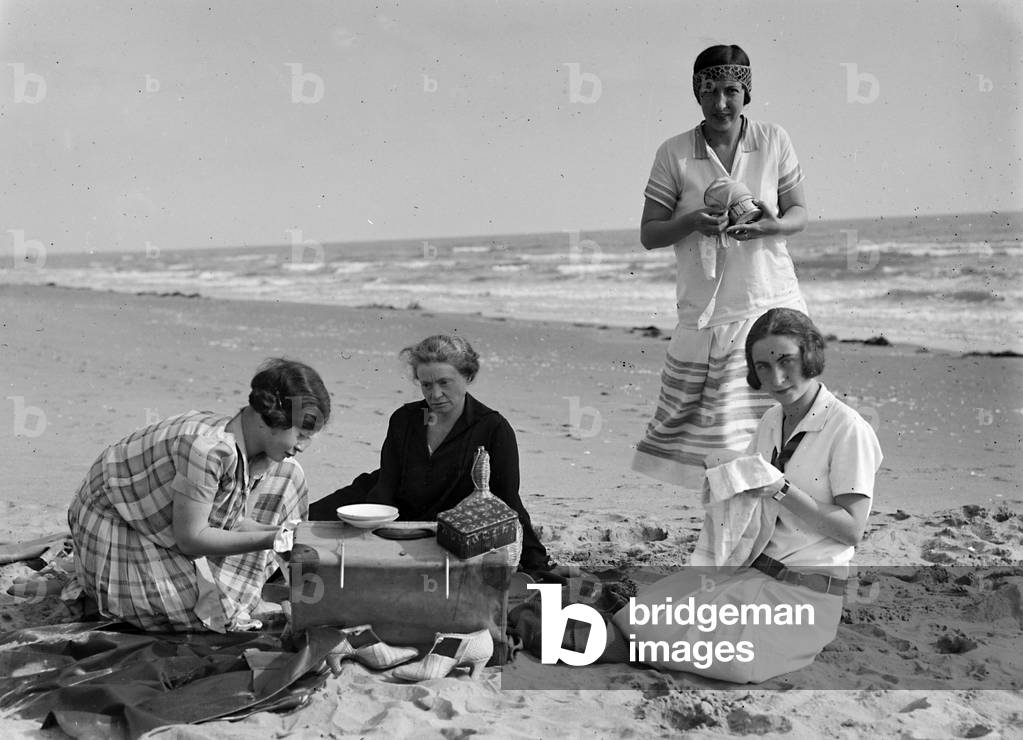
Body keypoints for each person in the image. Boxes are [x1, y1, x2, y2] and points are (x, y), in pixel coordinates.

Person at [516, 309, 882, 683]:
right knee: (647, 623)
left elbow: (851, 530)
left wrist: (782, 489)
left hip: (805, 596)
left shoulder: (848, 429)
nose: (777, 377)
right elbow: (752, 501)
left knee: (727, 660)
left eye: (786, 361)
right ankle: (567, 627)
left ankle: (567, 630)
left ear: (809, 354)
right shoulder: (773, 420)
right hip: (752, 573)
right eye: (764, 366)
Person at [632, 44, 810, 494]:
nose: (721, 103)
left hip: (771, 300)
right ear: (697, 94)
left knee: (783, 426)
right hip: (709, 311)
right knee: (725, 443)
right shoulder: (674, 153)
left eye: (732, 90)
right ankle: (730, 536)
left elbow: (798, 214)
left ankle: (777, 533)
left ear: (746, 92)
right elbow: (650, 233)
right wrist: (692, 221)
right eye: (709, 91)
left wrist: (772, 226)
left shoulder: (773, 140)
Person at [68, 358, 330, 632]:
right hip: (115, 527)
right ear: (271, 419)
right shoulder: (208, 450)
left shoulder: (253, 446)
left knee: (290, 474)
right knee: (208, 615)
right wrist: (274, 539)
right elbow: (192, 540)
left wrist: (288, 534)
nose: (303, 446)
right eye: (300, 435)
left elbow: (233, 521)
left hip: (166, 524)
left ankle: (227, 588)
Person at [309, 335, 552, 572]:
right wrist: (376, 539)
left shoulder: (493, 428)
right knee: (303, 526)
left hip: (445, 527)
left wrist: (536, 563)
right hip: (385, 503)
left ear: (468, 376)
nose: (434, 394)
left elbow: (507, 499)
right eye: (426, 384)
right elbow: (385, 486)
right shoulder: (405, 419)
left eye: (444, 382)